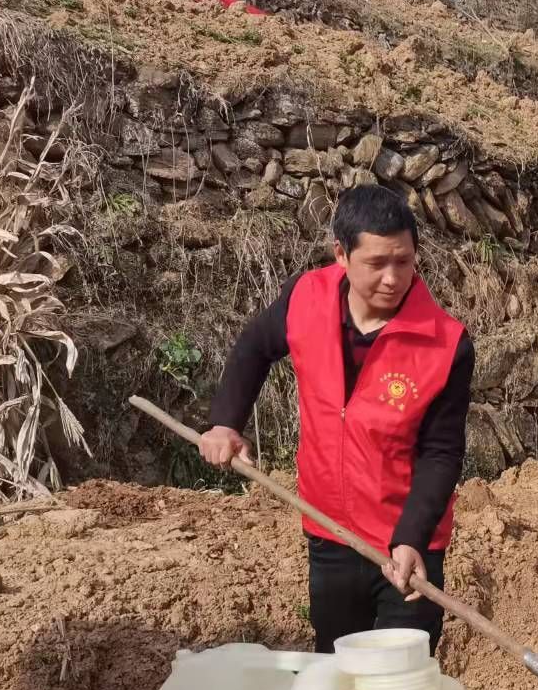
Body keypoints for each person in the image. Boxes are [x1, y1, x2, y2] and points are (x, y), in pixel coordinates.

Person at [201, 185, 473, 654]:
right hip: (328, 533)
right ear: (341, 255)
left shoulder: (445, 344)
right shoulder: (306, 297)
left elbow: (441, 452)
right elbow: (254, 347)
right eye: (376, 263)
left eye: (404, 261)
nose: (393, 278)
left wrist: (411, 539)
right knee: (336, 670)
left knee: (398, 686)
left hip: (405, 546)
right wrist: (226, 421)